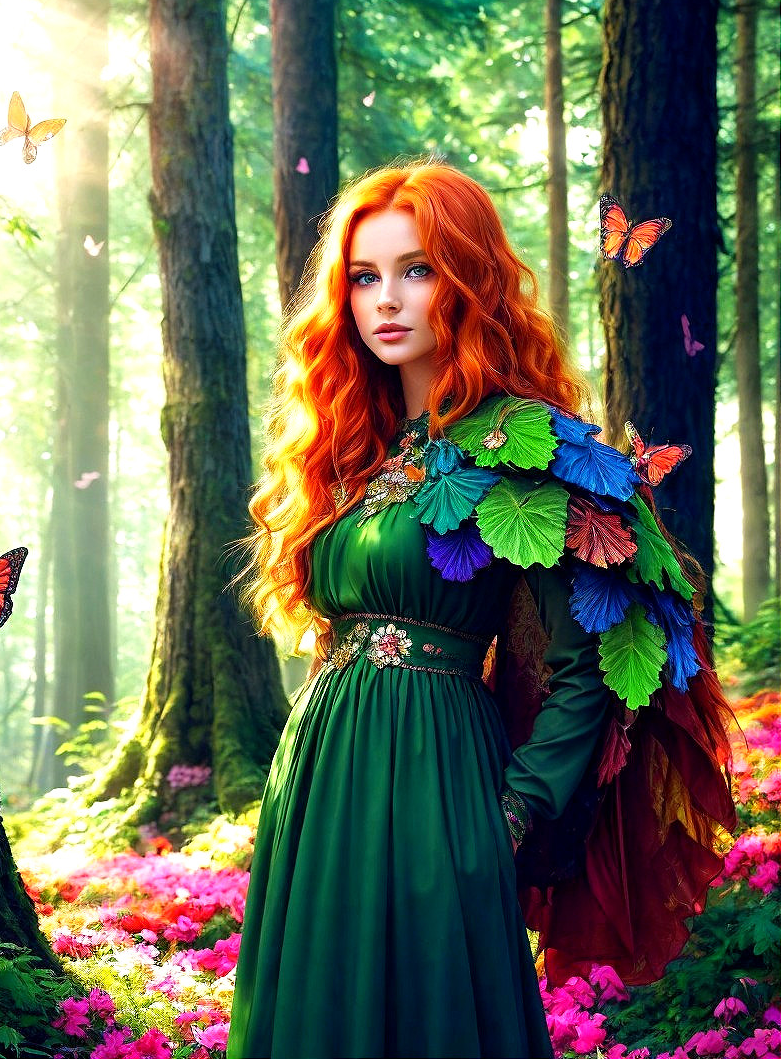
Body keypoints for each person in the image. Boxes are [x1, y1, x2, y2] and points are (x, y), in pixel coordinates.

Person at [226, 162, 735, 1059]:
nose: (386, 299)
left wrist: (508, 811)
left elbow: (589, 671)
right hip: (317, 777)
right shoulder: (353, 455)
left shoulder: (526, 449)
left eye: (417, 270)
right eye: (364, 276)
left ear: (467, 279)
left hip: (440, 787)